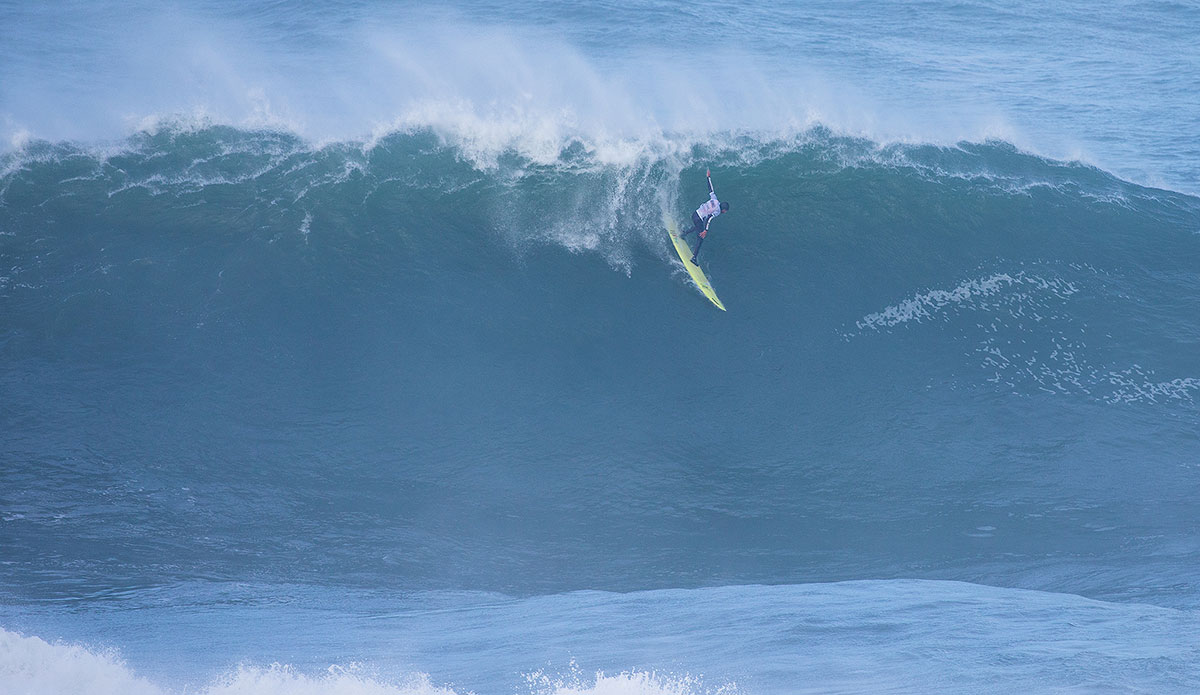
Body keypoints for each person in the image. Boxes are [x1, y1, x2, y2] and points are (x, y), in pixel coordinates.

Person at [678, 168, 730, 265]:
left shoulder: (715, 199)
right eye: (725, 211)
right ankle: (694, 258)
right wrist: (705, 230)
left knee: (698, 227)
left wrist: (708, 177)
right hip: (699, 218)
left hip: (695, 214)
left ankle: (684, 233)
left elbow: (711, 189)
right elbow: (709, 218)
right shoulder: (718, 211)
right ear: (724, 210)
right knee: (700, 238)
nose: (724, 212)